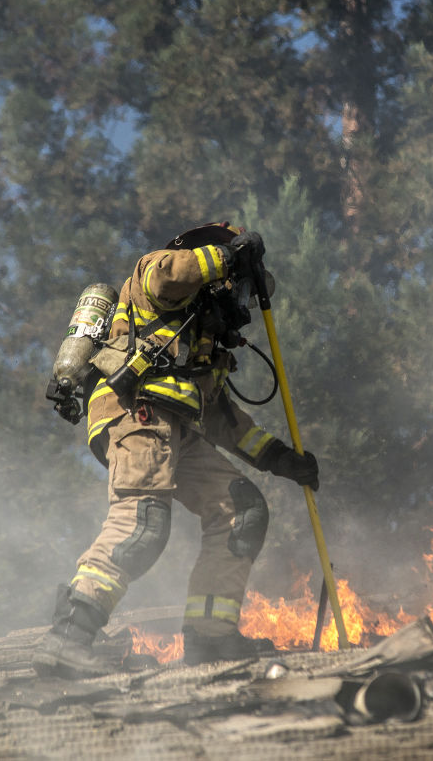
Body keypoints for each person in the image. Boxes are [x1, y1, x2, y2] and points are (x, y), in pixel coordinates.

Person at [33, 223, 319, 677]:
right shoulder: (158, 284)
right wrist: (229, 257)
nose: (242, 305)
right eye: (242, 290)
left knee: (242, 513)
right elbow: (170, 273)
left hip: (180, 435)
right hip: (136, 415)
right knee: (141, 524)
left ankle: (211, 638)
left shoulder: (202, 342)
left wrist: (279, 458)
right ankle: (68, 638)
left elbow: (225, 419)